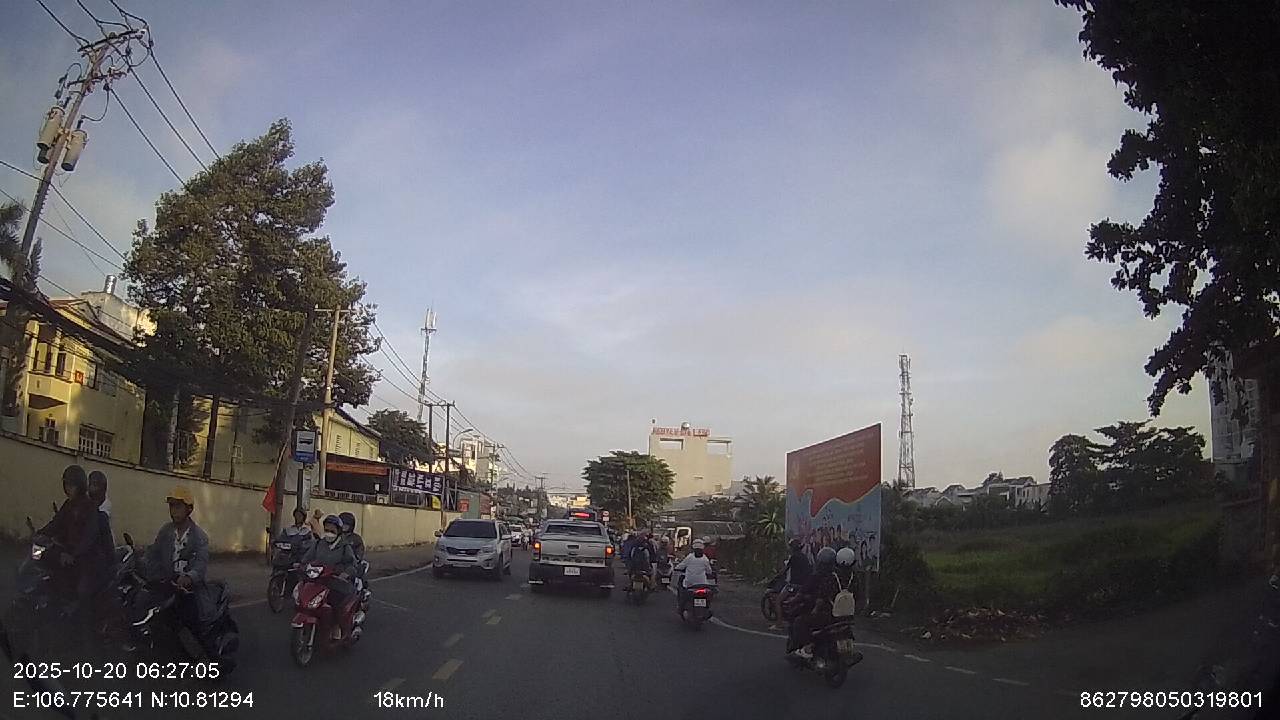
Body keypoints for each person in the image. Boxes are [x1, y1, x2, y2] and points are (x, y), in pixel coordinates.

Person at [129, 486, 209, 651]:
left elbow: (200, 565)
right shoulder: (166, 531)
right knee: (141, 602)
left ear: (189, 509)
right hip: (166, 585)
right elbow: (153, 553)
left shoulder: (199, 537)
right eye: (172, 506)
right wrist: (139, 559)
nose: (174, 510)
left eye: (178, 506)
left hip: (188, 592)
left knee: (191, 624)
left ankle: (202, 657)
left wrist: (189, 577)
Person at [38, 465, 104, 626]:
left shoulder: (90, 507)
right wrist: (40, 534)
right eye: (66, 484)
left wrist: (73, 554)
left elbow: (89, 538)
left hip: (87, 559)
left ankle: (83, 630)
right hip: (68, 554)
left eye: (72, 485)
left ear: (80, 486)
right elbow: (56, 523)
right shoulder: (69, 505)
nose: (68, 488)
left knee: (82, 592)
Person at [302, 515, 361, 631]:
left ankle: (337, 627)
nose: (329, 533)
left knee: (335, 604)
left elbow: (352, 565)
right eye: (327, 530)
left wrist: (346, 573)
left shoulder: (345, 547)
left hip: (337, 583)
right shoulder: (318, 544)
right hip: (318, 581)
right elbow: (306, 558)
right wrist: (301, 565)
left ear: (338, 531)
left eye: (332, 531)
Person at [786, 547, 842, 660]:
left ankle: (808, 647)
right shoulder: (837, 576)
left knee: (799, 622)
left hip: (824, 613)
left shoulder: (818, 576)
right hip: (838, 614)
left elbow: (810, 595)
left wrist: (792, 601)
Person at [772, 538, 812, 630]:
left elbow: (784, 570)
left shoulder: (794, 557)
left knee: (778, 601)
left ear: (792, 548)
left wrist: (777, 575)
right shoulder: (804, 557)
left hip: (793, 586)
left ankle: (779, 624)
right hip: (803, 586)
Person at [672, 539, 716, 611]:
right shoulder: (705, 559)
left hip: (689, 583)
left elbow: (681, 566)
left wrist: (676, 568)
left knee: (682, 591)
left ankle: (681, 607)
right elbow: (709, 571)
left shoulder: (689, 557)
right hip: (702, 583)